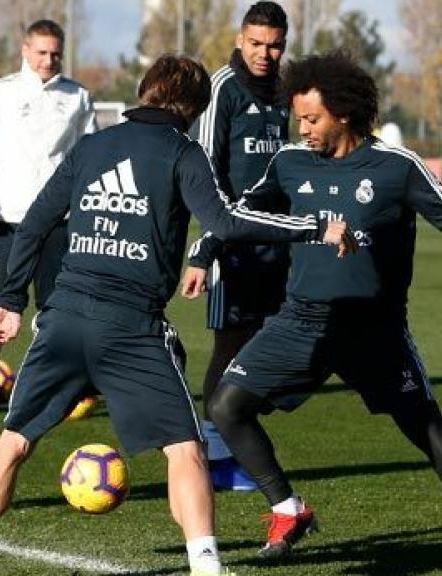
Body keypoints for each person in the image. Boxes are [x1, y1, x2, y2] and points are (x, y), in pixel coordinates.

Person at [0, 55, 355, 576]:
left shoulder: (91, 146)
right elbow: (227, 222)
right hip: (132, 327)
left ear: (144, 92)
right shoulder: (184, 152)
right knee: (185, 449)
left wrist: (9, 299)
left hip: (64, 317)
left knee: (12, 443)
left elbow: (33, 226)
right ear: (191, 109)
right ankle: (207, 567)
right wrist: (313, 227)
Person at [185, 53, 442, 573]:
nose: (303, 128)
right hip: (300, 320)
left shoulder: (395, 167)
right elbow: (238, 212)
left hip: (374, 329)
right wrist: (203, 253)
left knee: (425, 426)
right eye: (299, 118)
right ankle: (287, 508)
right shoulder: (290, 163)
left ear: (343, 114)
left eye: (312, 119)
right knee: (227, 406)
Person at [0, 19, 97, 416]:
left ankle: (47, 387)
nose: (48, 60)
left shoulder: (77, 97)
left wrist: (82, 207)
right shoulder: (0, 93)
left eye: (55, 53)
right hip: (6, 221)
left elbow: (88, 158)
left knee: (56, 311)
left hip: (57, 222)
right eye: (41, 52)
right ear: (25, 50)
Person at [185, 1, 291, 493]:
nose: (265, 54)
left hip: (279, 242)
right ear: (240, 39)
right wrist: (206, 249)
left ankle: (233, 435)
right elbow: (206, 174)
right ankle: (218, 450)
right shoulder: (223, 89)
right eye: (256, 44)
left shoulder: (287, 92)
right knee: (231, 345)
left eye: (274, 45)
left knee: (268, 342)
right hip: (233, 244)